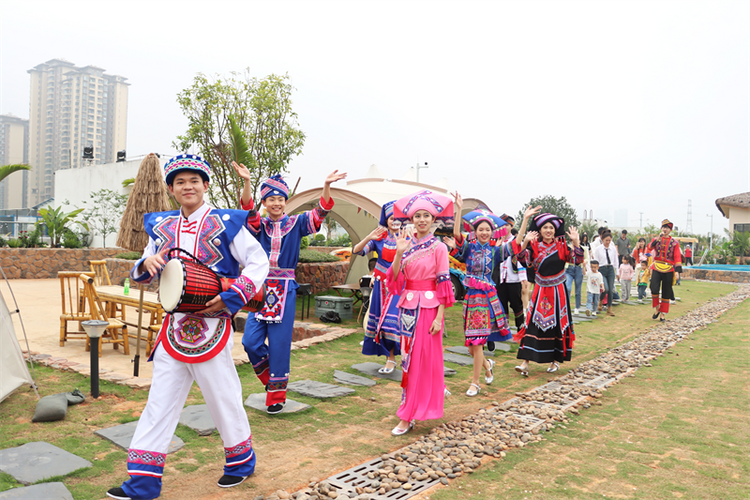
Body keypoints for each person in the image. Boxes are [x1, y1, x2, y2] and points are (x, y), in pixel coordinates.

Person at [107, 155, 270, 500]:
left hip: (212, 323)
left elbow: (258, 261)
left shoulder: (226, 221)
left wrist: (234, 295)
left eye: (194, 180)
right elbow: (146, 264)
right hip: (174, 326)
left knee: (222, 397)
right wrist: (145, 261)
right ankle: (142, 483)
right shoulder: (161, 225)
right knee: (159, 402)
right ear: (171, 189)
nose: (187, 187)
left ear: (205, 185)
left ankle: (241, 462)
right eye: (180, 182)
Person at [233, 162, 347, 414]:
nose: (276, 203)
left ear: (286, 201)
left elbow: (321, 212)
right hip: (260, 287)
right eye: (271, 199)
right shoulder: (258, 225)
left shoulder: (297, 223)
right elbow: (246, 207)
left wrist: (326, 185)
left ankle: (276, 396)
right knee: (251, 342)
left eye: (280, 199)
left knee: (279, 343)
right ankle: (269, 380)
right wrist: (247, 182)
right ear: (264, 202)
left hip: (284, 289)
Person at [388, 190, 455, 435]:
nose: (422, 220)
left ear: (433, 220)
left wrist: (439, 318)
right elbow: (394, 281)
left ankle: (409, 414)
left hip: (429, 310)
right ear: (412, 220)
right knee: (407, 360)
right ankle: (410, 406)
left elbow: (443, 286)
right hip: (406, 309)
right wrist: (398, 253)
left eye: (426, 215)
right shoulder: (405, 245)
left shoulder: (439, 248)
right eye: (418, 216)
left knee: (422, 361)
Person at [450, 197, 529, 397]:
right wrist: (458, 209)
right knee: (471, 347)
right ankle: (487, 365)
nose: (484, 232)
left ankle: (475, 383)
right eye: (480, 229)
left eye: (487, 230)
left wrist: (525, 220)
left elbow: (516, 244)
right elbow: (457, 234)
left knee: (477, 343)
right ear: (475, 232)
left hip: (486, 300)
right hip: (470, 300)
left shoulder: (495, 252)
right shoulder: (468, 248)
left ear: (492, 232)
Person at [513, 210, 583, 376]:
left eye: (551, 227)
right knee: (532, 325)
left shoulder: (561, 246)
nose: (548, 230)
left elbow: (577, 260)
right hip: (540, 292)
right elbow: (522, 259)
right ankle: (525, 362)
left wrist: (576, 242)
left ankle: (555, 361)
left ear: (555, 230)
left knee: (557, 326)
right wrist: (525, 243)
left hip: (558, 293)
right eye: (545, 227)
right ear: (540, 230)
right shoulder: (535, 246)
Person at [352, 201, 402, 373]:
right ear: (386, 220)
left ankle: (404, 358)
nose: (394, 221)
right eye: (391, 218)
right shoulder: (379, 238)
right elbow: (356, 251)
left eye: (397, 218)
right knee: (383, 322)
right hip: (382, 286)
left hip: (400, 287)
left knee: (393, 322)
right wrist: (369, 237)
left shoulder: (408, 237)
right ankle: (391, 359)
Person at [493, 228, 527, 333]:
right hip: (500, 278)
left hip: (514, 278)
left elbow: (521, 259)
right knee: (502, 304)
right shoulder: (496, 241)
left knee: (516, 303)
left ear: (511, 226)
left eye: (507, 225)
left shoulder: (516, 241)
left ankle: (520, 326)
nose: (505, 228)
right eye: (502, 225)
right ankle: (504, 328)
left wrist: (523, 277)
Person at [648, 219, 682, 321]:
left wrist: (677, 271)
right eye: (663, 227)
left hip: (668, 268)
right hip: (657, 266)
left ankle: (663, 314)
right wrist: (657, 238)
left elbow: (677, 257)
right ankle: (657, 308)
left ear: (670, 230)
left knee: (666, 292)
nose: (665, 229)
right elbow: (649, 248)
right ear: (661, 228)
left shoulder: (675, 243)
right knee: (654, 288)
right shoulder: (656, 239)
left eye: (667, 228)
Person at [592, 230, 619, 316]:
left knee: (611, 290)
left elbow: (616, 261)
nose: (608, 242)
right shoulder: (598, 249)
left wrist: (617, 272)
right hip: (602, 269)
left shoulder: (613, 249)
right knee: (605, 288)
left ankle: (609, 308)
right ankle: (600, 301)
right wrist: (595, 272)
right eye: (606, 240)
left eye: (609, 240)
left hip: (610, 269)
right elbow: (596, 260)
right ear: (602, 239)